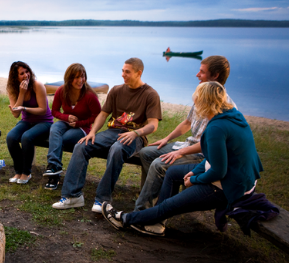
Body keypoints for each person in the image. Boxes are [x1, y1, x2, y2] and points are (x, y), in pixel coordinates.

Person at [102, 81, 263, 237]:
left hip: (230, 186)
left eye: (197, 101)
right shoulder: (232, 115)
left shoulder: (216, 128)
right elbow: (212, 159)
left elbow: (218, 171)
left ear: (204, 103)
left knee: (170, 204)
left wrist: (195, 179)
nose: (195, 106)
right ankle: (155, 223)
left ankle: (124, 219)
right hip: (235, 174)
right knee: (171, 173)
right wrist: (195, 172)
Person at [53, 58, 161, 211]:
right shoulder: (116, 90)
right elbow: (103, 114)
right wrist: (92, 132)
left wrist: (136, 133)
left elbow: (153, 124)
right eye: (122, 71)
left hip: (135, 137)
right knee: (81, 145)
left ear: (139, 73)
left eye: (127, 72)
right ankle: (73, 196)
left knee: (117, 149)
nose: (123, 74)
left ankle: (102, 200)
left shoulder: (150, 94)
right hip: (112, 132)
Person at [134, 56, 235, 211]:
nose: (197, 75)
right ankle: (153, 200)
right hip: (188, 144)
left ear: (215, 76)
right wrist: (166, 138)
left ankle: (142, 211)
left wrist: (181, 152)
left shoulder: (224, 106)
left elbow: (209, 145)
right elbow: (188, 122)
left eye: (202, 72)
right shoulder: (203, 95)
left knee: (159, 164)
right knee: (146, 153)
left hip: (203, 154)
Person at [43, 63, 101, 190]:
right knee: (55, 128)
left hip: (83, 128)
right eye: (76, 77)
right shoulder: (62, 91)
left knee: (62, 139)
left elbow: (98, 116)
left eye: (82, 76)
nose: (80, 80)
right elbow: (55, 111)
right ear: (69, 78)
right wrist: (66, 117)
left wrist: (80, 123)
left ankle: (54, 177)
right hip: (66, 122)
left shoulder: (90, 95)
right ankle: (54, 166)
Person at [6, 61, 53, 184]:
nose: (26, 75)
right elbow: (16, 114)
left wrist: (25, 108)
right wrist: (21, 93)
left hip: (44, 122)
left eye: (27, 71)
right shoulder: (13, 89)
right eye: (22, 73)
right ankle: (18, 171)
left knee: (27, 137)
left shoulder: (38, 85)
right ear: (15, 77)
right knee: (11, 137)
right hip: (26, 121)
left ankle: (26, 173)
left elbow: (43, 110)